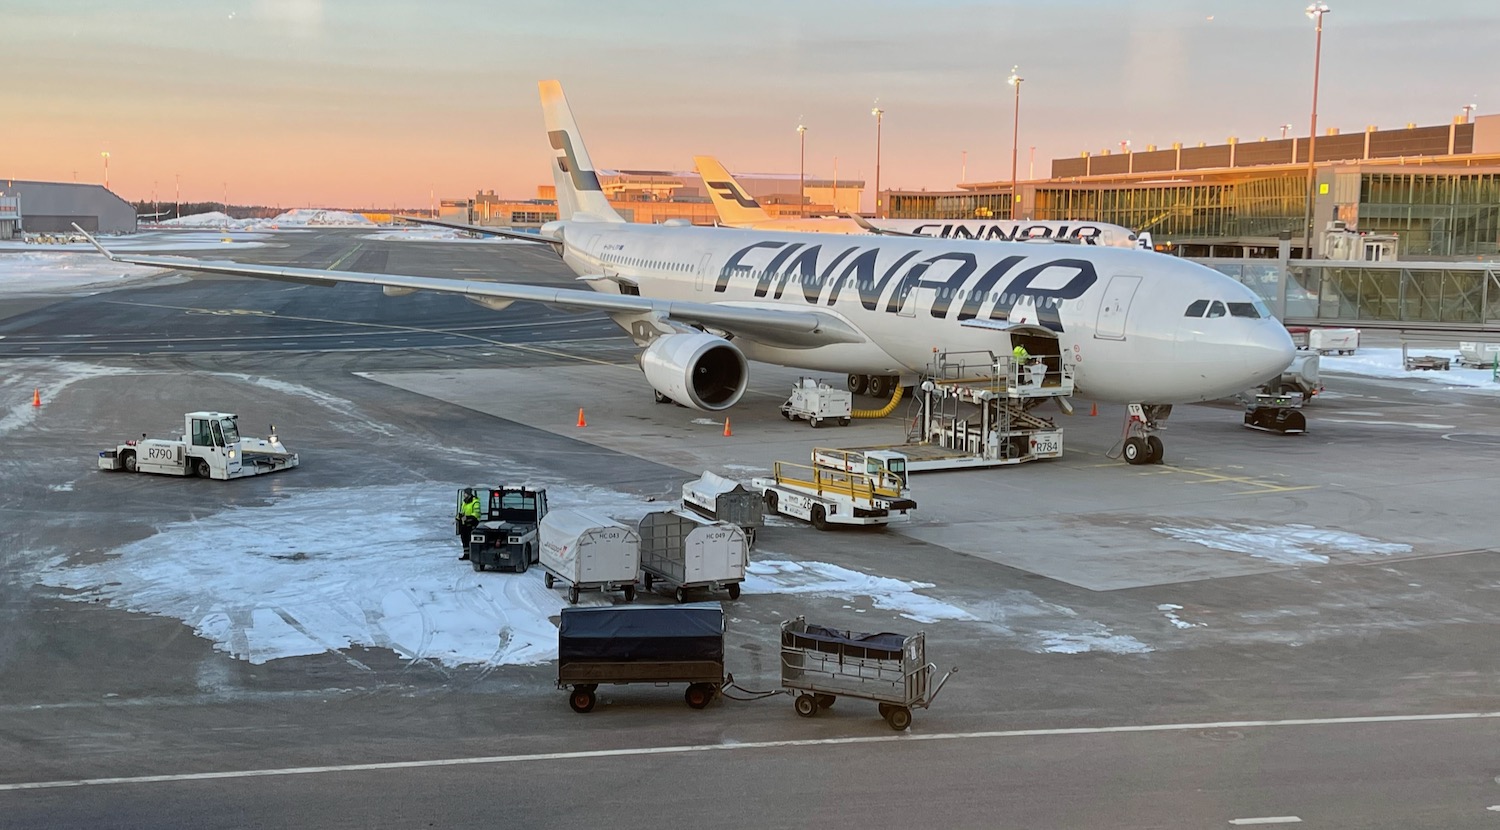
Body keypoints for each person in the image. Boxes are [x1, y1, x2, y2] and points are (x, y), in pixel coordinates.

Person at [457, 489, 482, 560]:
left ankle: (472, 554)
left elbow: (476, 514)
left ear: (469, 494)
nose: (464, 495)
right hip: (464, 523)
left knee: (470, 538)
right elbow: (462, 512)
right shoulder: (464, 502)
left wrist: (468, 517)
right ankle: (466, 554)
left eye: (465, 494)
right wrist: (458, 517)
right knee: (464, 538)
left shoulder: (475, 502)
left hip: (472, 523)